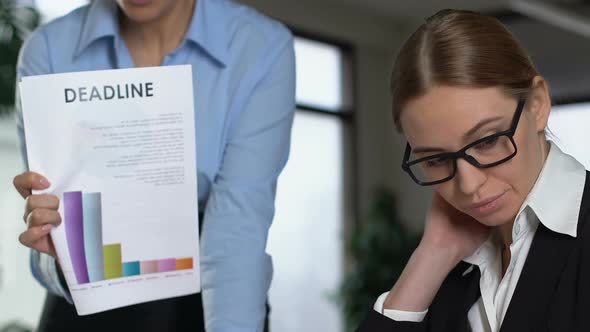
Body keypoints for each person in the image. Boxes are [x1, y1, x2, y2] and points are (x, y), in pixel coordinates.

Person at [11, 0, 295, 331]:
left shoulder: (259, 47)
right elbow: (48, 219)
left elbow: (238, 228)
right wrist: (59, 252)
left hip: (203, 298)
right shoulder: (48, 50)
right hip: (88, 296)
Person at [357, 9, 590, 332]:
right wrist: (433, 254)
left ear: (537, 104)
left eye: (488, 141)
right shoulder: (452, 269)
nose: (468, 184)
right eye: (437, 159)